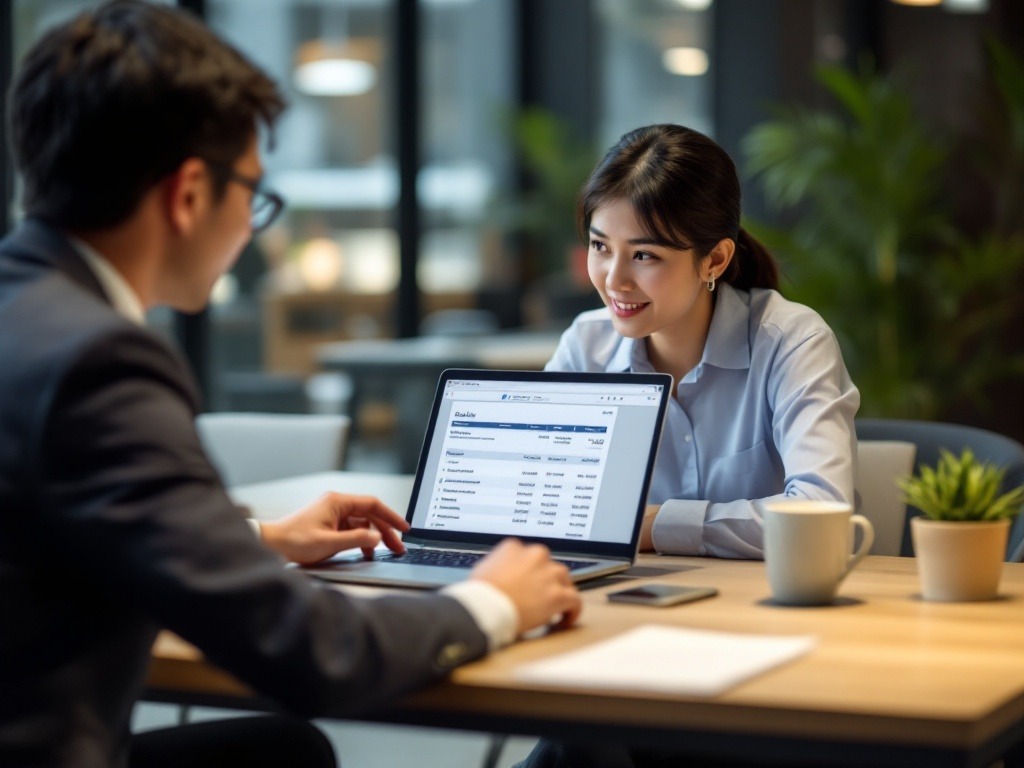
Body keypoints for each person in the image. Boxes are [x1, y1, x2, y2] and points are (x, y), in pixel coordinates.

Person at [0, 3, 581, 768]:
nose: (253, 226)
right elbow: (311, 653)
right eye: (254, 195)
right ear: (187, 195)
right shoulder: (99, 361)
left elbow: (54, 529)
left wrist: (259, 541)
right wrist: (491, 602)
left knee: (278, 752)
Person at [517, 124, 859, 767]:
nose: (613, 278)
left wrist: (650, 526)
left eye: (645, 255)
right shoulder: (586, 346)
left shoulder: (790, 340)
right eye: (599, 246)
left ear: (716, 260)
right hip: (628, 638)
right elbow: (549, 510)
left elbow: (821, 514)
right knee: (583, 738)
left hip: (772, 652)